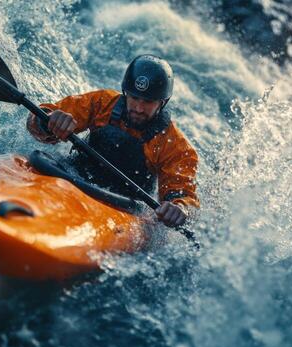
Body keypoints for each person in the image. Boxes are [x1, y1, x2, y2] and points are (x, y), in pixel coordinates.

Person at [26, 54, 199, 227]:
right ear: (125, 93)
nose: (138, 108)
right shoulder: (101, 103)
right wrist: (48, 122)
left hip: (122, 207)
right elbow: (40, 117)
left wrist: (180, 208)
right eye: (134, 97)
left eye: (148, 101)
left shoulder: (174, 145)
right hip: (72, 176)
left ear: (163, 102)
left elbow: (183, 196)